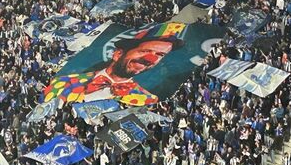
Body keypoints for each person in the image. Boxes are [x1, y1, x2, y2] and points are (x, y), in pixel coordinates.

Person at [43, 23, 187, 106]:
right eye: (145, 51)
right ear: (118, 54)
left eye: (160, 55)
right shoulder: (62, 83)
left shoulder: (148, 100)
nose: (150, 59)